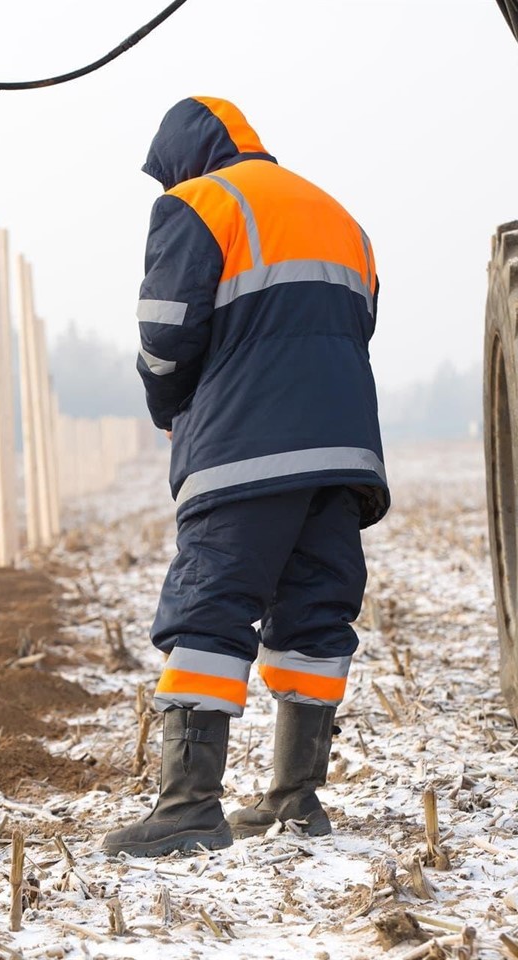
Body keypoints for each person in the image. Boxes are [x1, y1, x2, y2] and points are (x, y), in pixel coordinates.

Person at [102, 96, 389, 858]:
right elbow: (354, 322)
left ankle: (190, 808)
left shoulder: (197, 203)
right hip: (344, 454)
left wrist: (170, 408)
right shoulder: (334, 212)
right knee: (316, 615)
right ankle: (296, 800)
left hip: (245, 450)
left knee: (209, 612)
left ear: (183, 159)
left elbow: (165, 334)